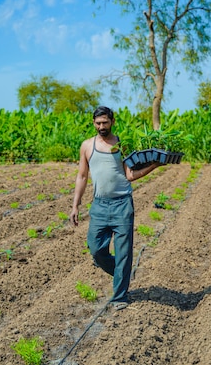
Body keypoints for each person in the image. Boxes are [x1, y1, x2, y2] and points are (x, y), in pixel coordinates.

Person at [69, 106, 161, 311]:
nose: (101, 126)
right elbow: (82, 176)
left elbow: (130, 175)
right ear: (93, 123)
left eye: (105, 122)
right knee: (96, 249)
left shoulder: (122, 144)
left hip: (122, 205)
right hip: (99, 205)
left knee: (123, 252)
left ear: (112, 122)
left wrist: (154, 166)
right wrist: (75, 205)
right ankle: (122, 274)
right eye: (98, 123)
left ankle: (120, 296)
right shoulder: (87, 146)